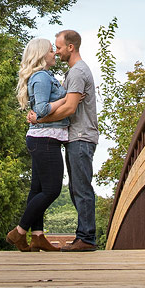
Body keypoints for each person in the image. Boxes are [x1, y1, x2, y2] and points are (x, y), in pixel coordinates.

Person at [27, 29, 98, 251]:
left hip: (81, 136)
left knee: (81, 187)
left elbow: (68, 107)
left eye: (58, 48)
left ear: (71, 47)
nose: (56, 53)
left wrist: (40, 120)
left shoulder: (77, 73)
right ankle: (83, 236)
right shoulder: (70, 73)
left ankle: (86, 238)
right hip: (74, 137)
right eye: (53, 49)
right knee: (76, 187)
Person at [5, 37, 70, 252]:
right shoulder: (41, 77)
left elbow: (38, 111)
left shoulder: (43, 76)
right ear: (42, 55)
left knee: (37, 189)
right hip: (45, 139)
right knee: (51, 190)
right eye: (52, 51)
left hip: (42, 138)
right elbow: (41, 109)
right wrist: (67, 100)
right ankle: (20, 231)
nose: (54, 54)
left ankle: (38, 236)